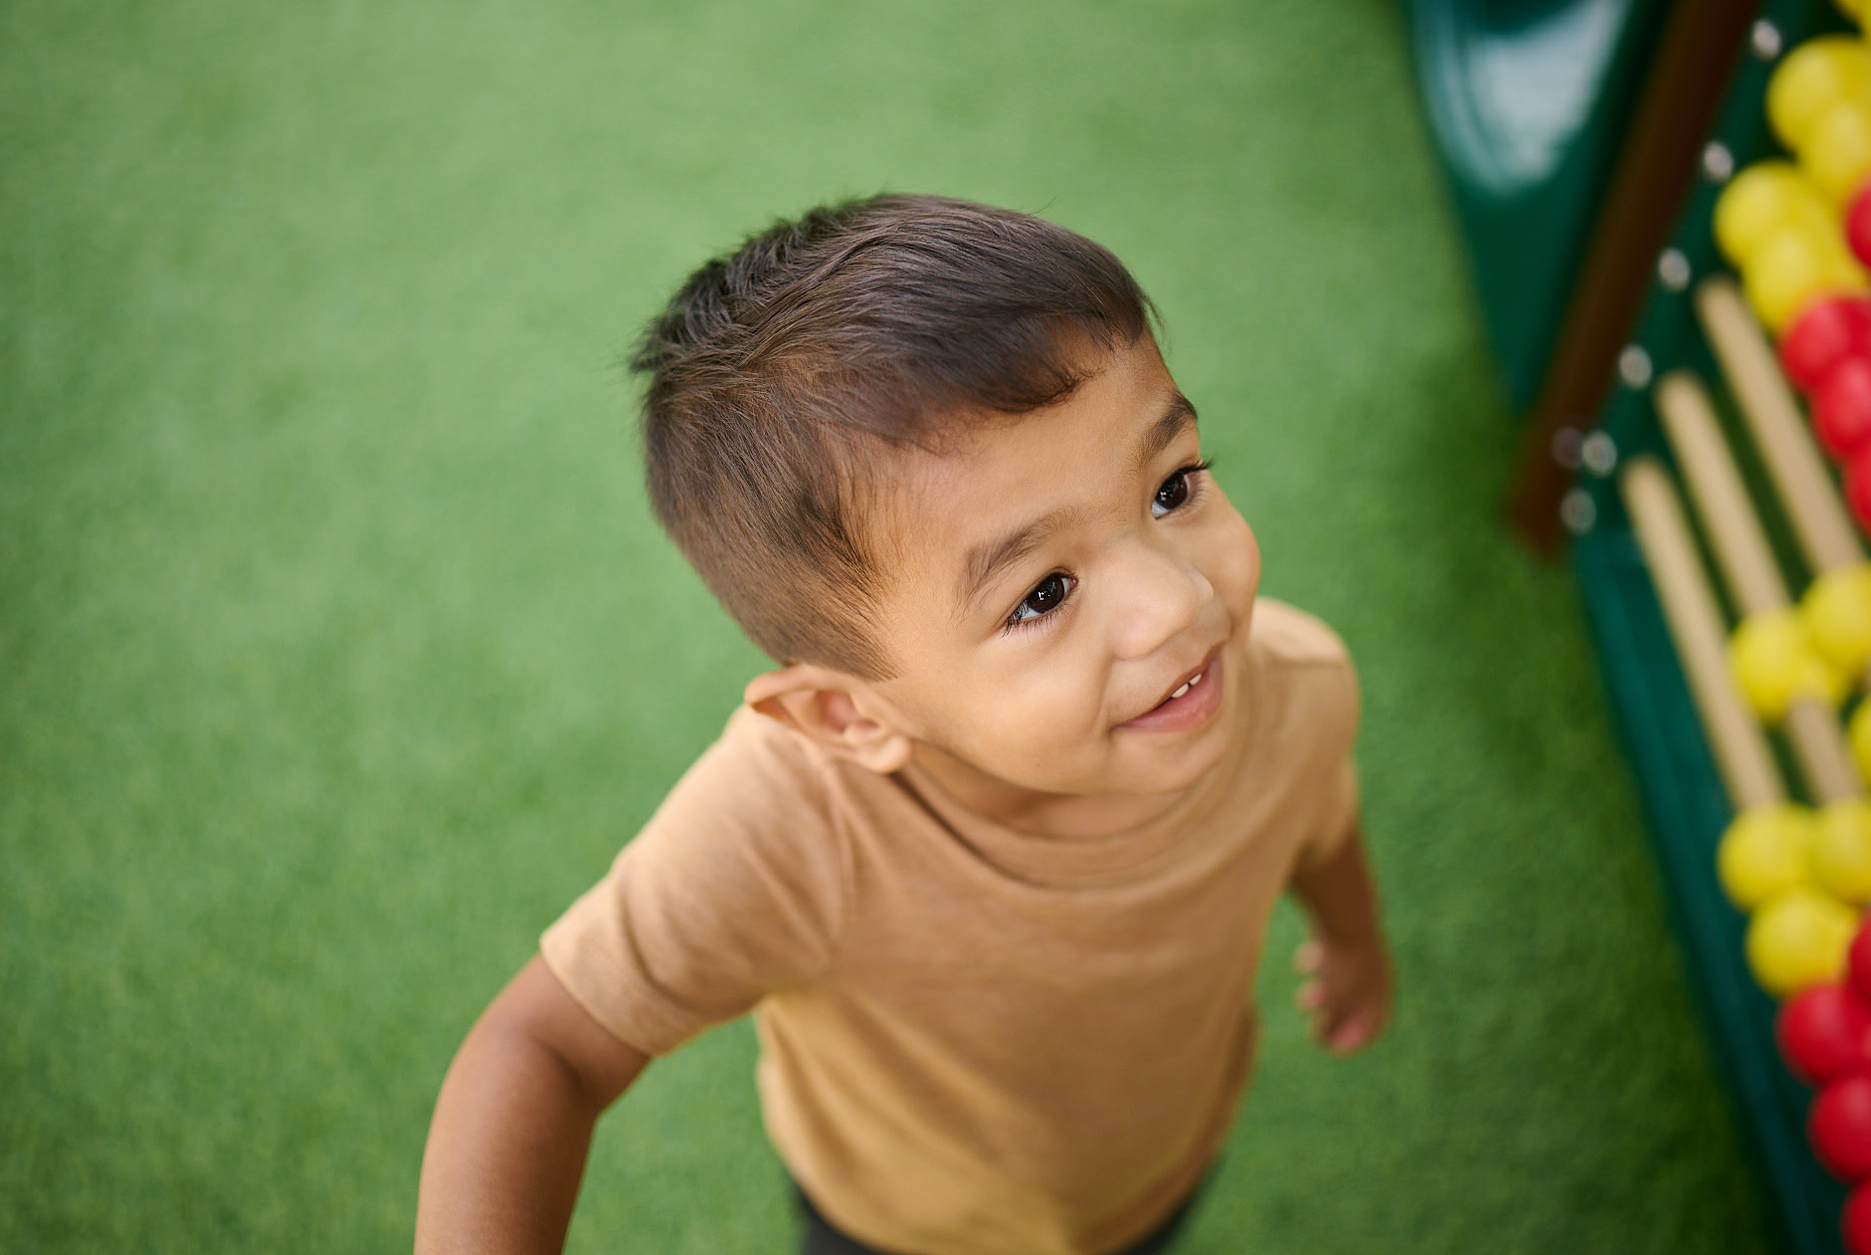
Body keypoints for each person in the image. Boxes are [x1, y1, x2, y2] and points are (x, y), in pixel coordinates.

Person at [416, 194, 1392, 1255]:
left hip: (1156, 1177)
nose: (1176, 602)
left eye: (1171, 487)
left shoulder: (1288, 681)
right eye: (1043, 593)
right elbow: (543, 1046)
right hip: (894, 1225)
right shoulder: (792, 824)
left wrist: (1353, 936)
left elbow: (1316, 812)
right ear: (846, 712)